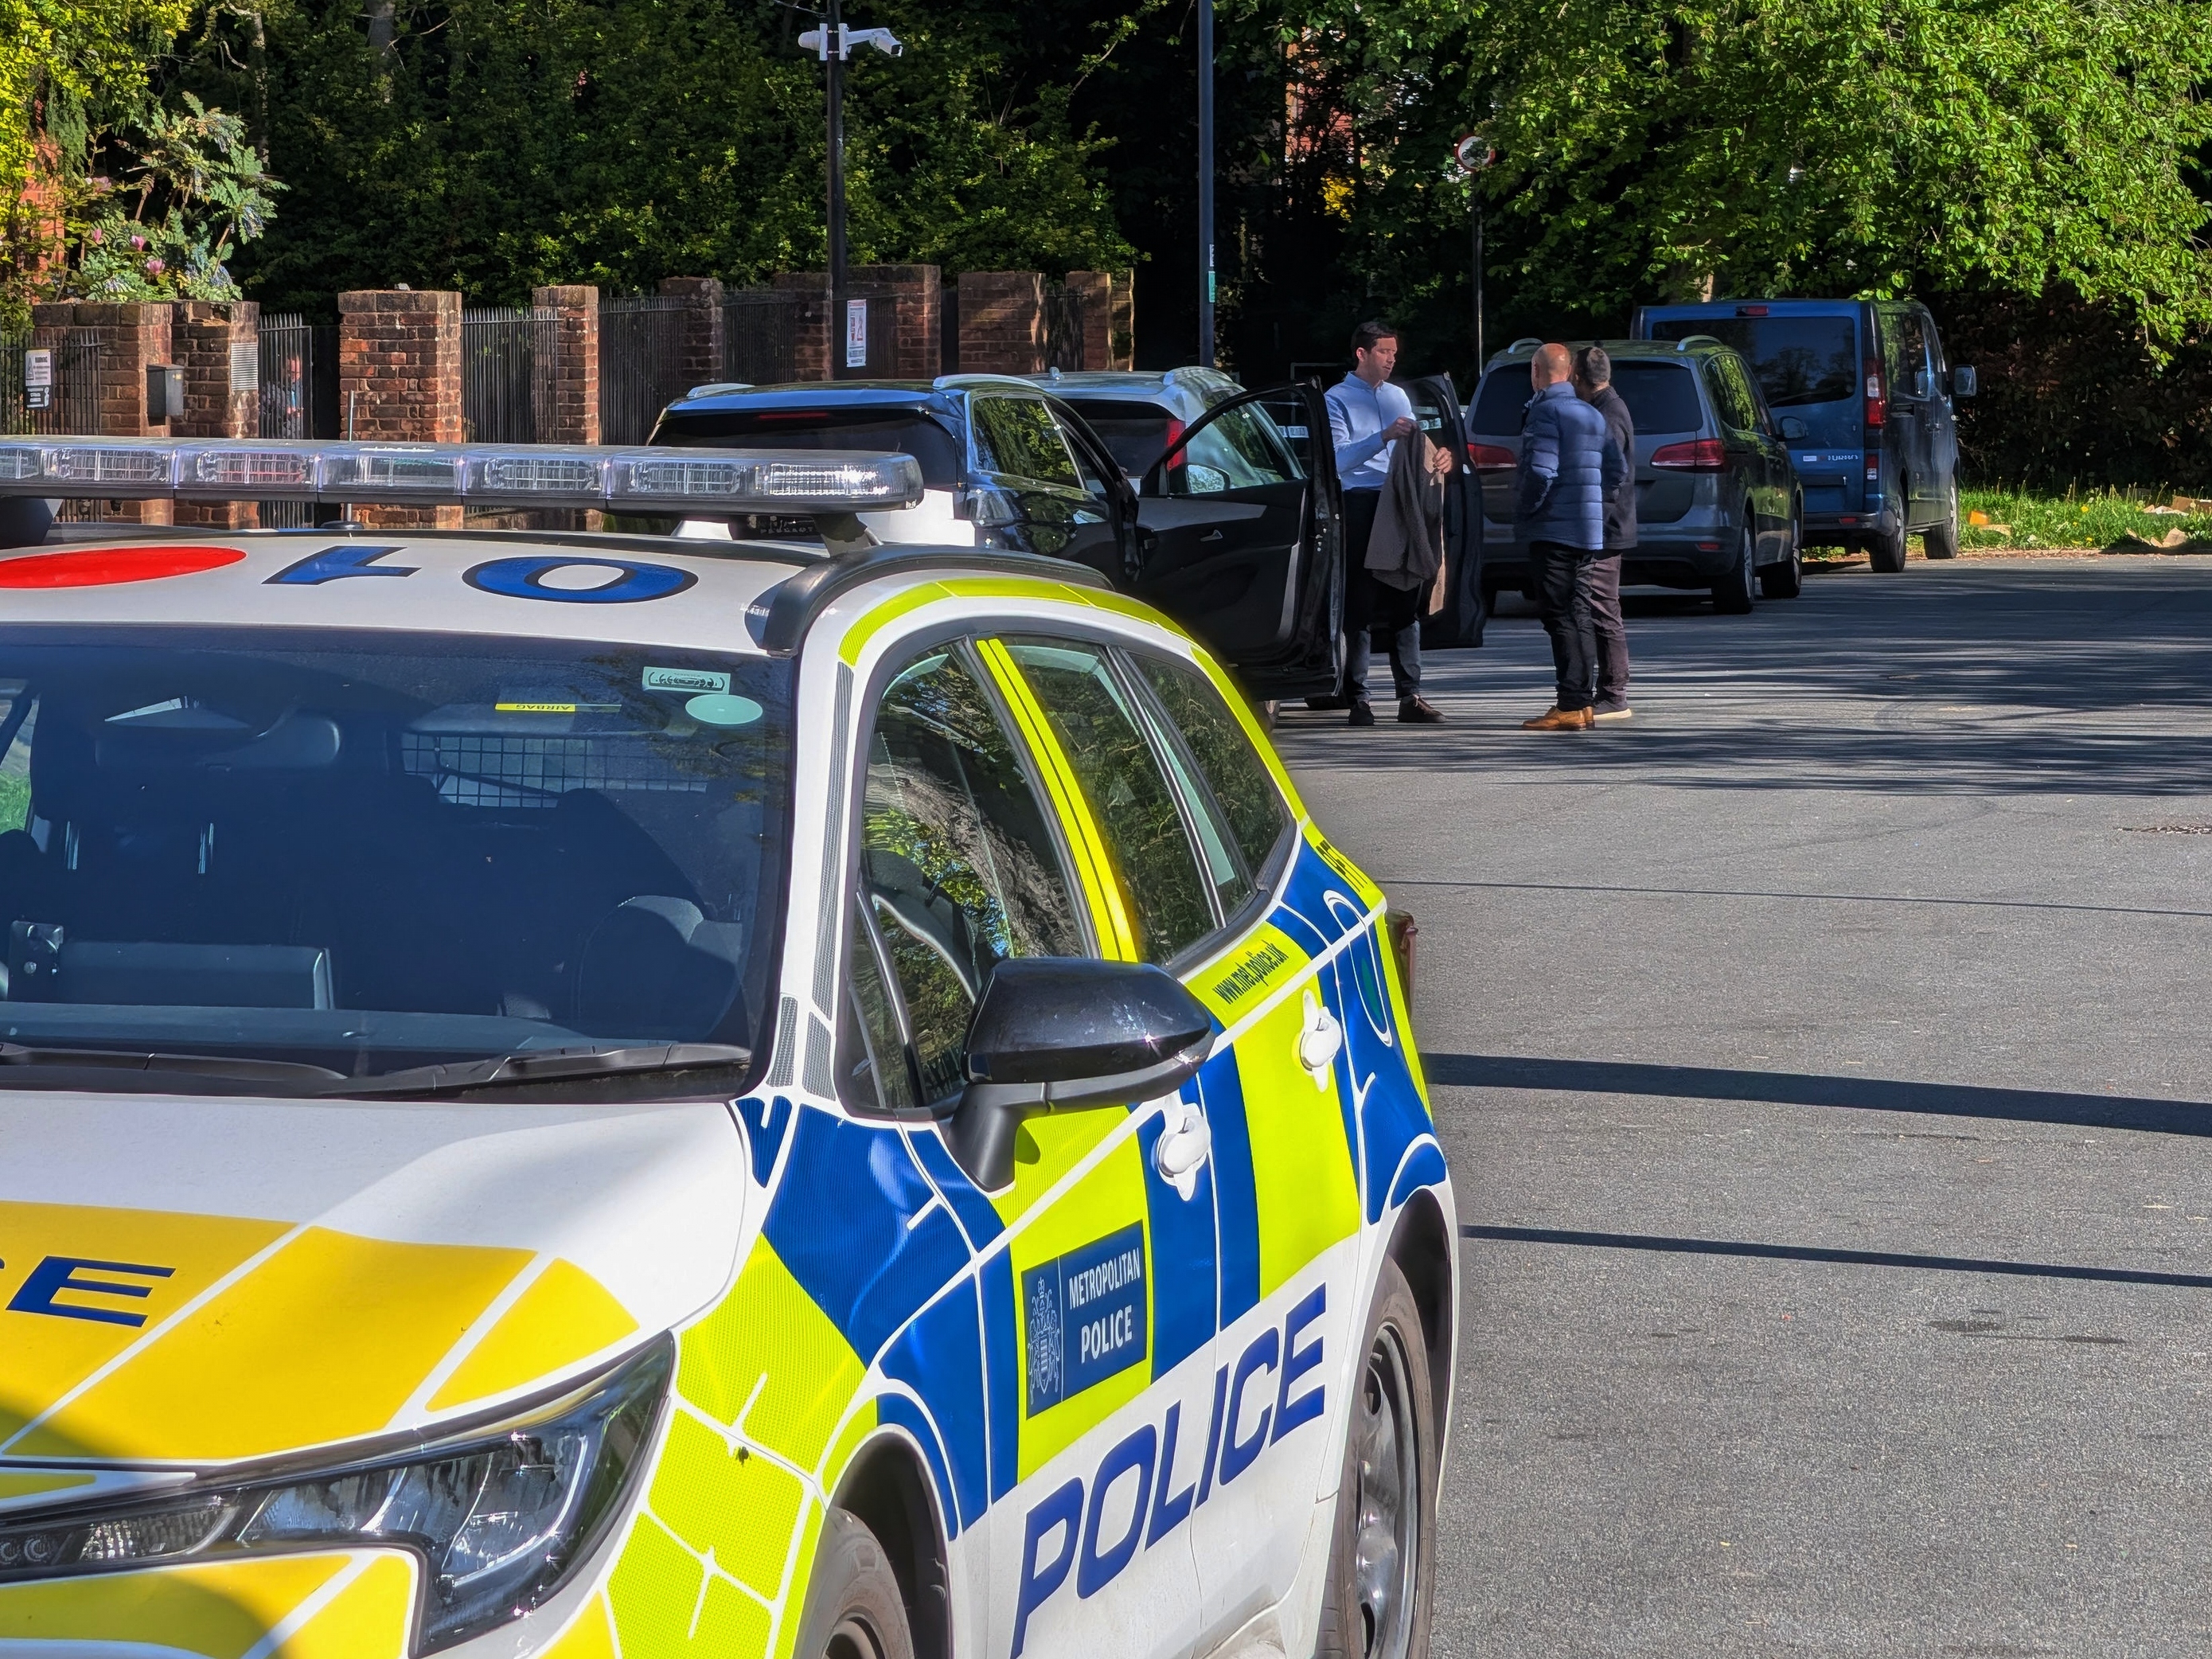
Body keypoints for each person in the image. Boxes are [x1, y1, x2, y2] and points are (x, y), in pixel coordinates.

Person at [1324, 321, 1449, 725]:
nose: (1392, 359)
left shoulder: (1398, 396)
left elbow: (1415, 449)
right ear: (1362, 354)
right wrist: (1382, 436)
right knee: (1360, 603)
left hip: (1399, 502)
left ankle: (1410, 696)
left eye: (1394, 352)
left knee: (1406, 596)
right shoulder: (1336, 399)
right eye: (1383, 352)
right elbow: (1338, 460)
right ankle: (1358, 698)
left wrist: (1442, 458)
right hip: (1360, 503)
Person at [1516, 342, 1625, 732]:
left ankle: (1570, 703)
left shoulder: (1545, 411)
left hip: (1554, 527)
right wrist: (1593, 504)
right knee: (1578, 613)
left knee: (1559, 616)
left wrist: (1528, 509)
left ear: (1536, 371)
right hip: (1587, 529)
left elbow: (1541, 472)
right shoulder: (1591, 413)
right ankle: (1580, 703)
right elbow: (1617, 470)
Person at [1572, 345, 1636, 720]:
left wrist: (1592, 522)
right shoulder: (1606, 408)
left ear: (1578, 377)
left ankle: (1614, 693)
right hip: (1607, 525)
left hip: (1606, 528)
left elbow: (1612, 477)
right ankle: (1608, 690)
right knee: (1599, 606)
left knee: (1602, 607)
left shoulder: (1608, 413)